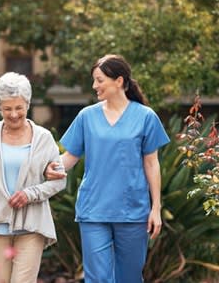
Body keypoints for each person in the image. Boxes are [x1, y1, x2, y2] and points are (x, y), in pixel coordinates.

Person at [45, 54, 170, 282]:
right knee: (97, 278)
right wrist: (47, 169)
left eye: (100, 80)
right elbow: (70, 157)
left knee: (129, 277)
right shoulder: (87, 116)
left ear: (119, 81)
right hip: (94, 210)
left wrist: (156, 208)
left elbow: (152, 163)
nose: (95, 86)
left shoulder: (145, 117)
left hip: (133, 211)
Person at [0, 72, 66, 283]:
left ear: (28, 104)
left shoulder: (43, 138)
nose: (14, 114)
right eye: (7, 109)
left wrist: (30, 194)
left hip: (32, 224)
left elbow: (59, 180)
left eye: (19, 108)